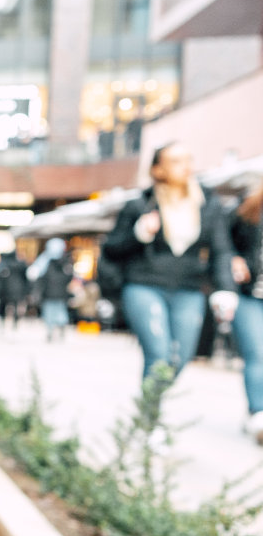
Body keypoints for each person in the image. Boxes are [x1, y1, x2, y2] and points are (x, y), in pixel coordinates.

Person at [102, 142, 238, 382]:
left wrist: (226, 288)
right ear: (158, 170)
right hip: (144, 285)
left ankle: (149, 406)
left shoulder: (208, 204)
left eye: (188, 159)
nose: (185, 167)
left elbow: (221, 250)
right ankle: (148, 417)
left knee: (181, 357)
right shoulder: (140, 204)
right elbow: (112, 249)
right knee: (158, 354)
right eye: (176, 161)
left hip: (188, 288)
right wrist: (140, 233)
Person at [228, 181, 263, 442]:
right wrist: (233, 258)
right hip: (250, 295)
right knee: (257, 354)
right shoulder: (249, 205)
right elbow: (221, 239)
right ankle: (258, 414)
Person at [27, 237, 74, 341]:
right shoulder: (65, 261)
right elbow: (69, 277)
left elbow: (34, 275)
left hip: (48, 292)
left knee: (50, 312)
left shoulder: (44, 260)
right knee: (60, 311)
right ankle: (60, 328)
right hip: (60, 293)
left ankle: (51, 330)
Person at [0, 249, 29, 332]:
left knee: (4, 307)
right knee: (15, 307)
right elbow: (25, 279)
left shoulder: (4, 265)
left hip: (5, 290)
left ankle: (3, 323)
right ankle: (15, 323)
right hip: (18, 290)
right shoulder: (21, 265)